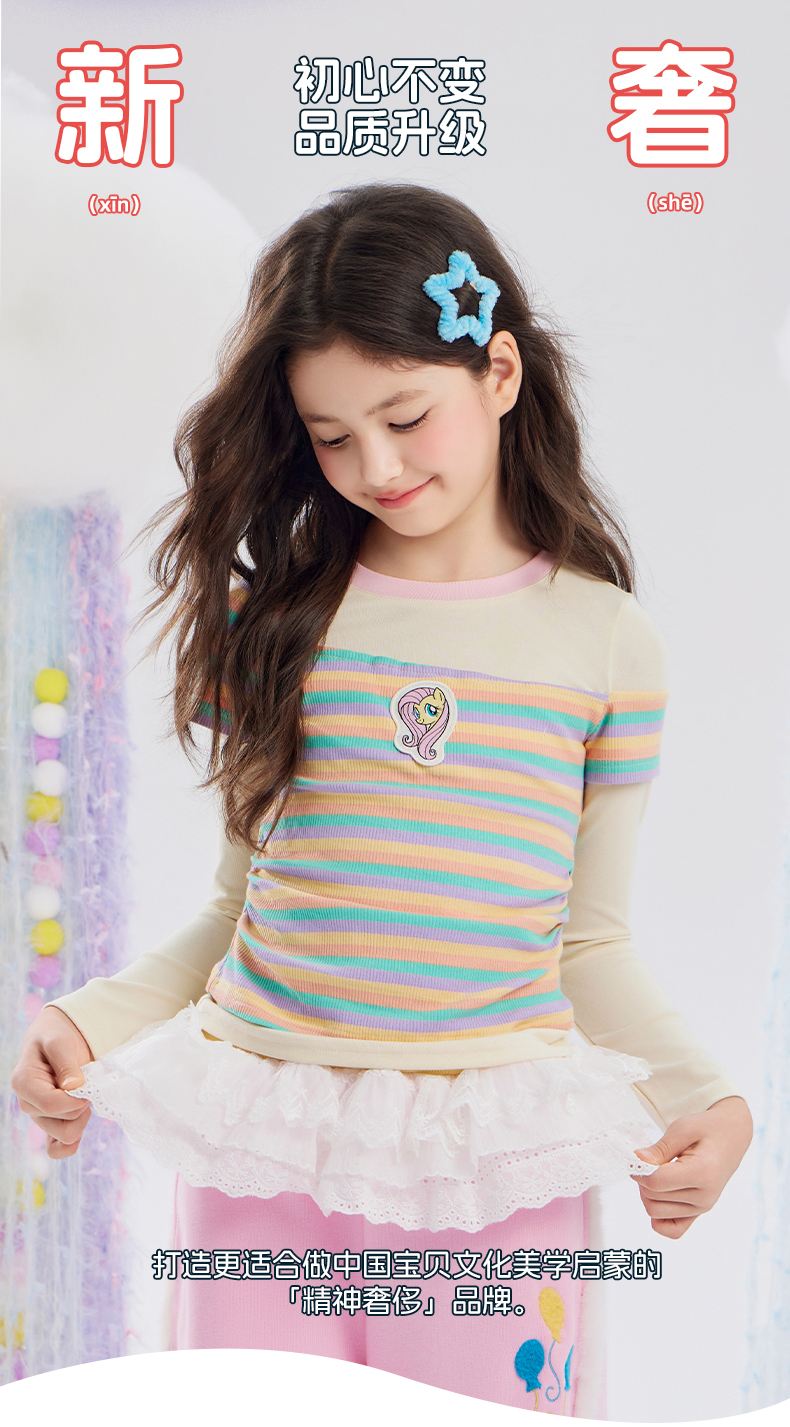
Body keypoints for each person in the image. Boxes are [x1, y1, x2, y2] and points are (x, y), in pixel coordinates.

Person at [11, 183, 752, 1415]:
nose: (378, 467)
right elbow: (241, 908)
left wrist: (704, 1099)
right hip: (264, 1134)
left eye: (405, 417)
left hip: (490, 1157)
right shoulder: (272, 625)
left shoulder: (606, 642)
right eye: (333, 435)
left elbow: (586, 939)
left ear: (498, 372)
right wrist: (87, 1019)